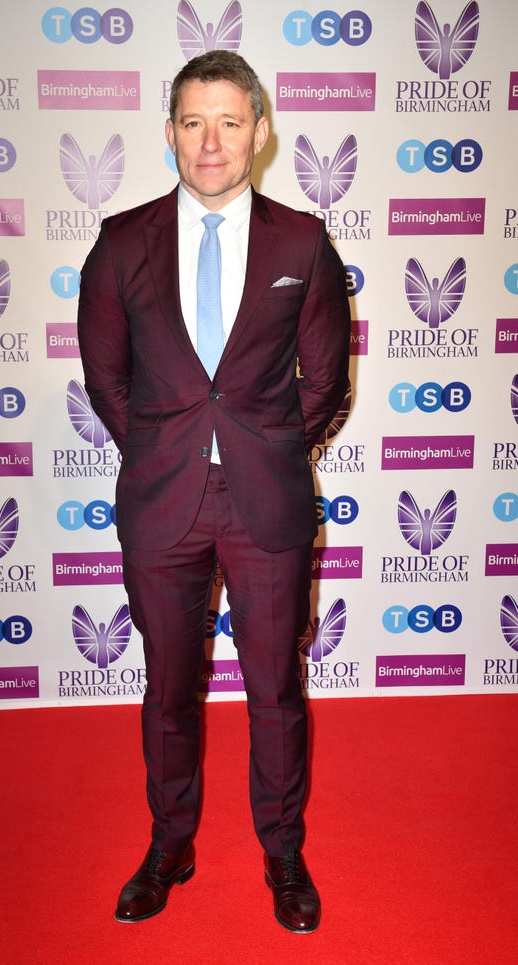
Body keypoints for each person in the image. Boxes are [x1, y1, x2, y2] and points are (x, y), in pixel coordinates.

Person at [77, 49, 350, 933]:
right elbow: (106, 379)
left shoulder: (302, 240)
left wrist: (260, 450)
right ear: (169, 134)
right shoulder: (120, 242)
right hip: (162, 499)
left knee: (275, 687)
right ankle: (171, 843)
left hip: (265, 498)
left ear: (260, 132)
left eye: (230, 121)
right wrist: (172, 451)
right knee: (169, 686)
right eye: (193, 122)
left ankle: (282, 849)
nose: (211, 141)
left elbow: (326, 378)